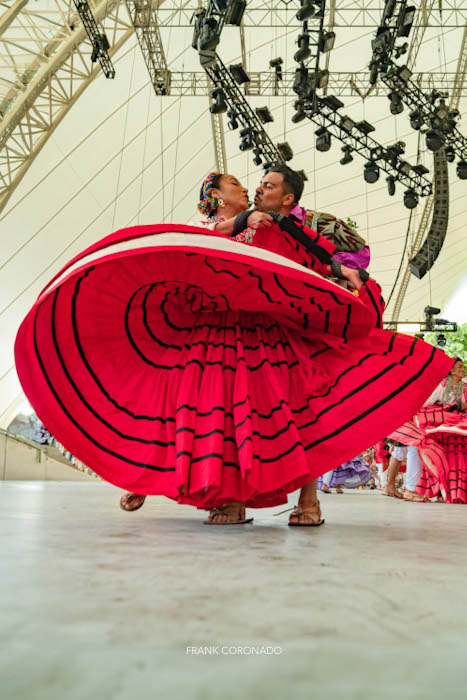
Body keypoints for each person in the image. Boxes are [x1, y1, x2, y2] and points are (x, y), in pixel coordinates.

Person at [21, 167, 453, 527]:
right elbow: (204, 244)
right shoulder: (234, 225)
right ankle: (169, 482)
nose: (257, 187)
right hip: (219, 331)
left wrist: (345, 274)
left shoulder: (290, 227)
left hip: (270, 332)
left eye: (267, 185)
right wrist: (243, 220)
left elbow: (328, 259)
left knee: (298, 411)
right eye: (252, 185)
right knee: (200, 407)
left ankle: (301, 502)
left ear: (287, 199)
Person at [388, 357, 467, 503]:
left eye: (463, 366)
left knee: (444, 455)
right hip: (423, 423)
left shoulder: (463, 386)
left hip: (446, 429)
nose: (463, 369)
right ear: (450, 370)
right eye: (459, 366)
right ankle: (407, 489)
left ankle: (441, 491)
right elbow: (424, 405)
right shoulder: (441, 385)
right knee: (412, 450)